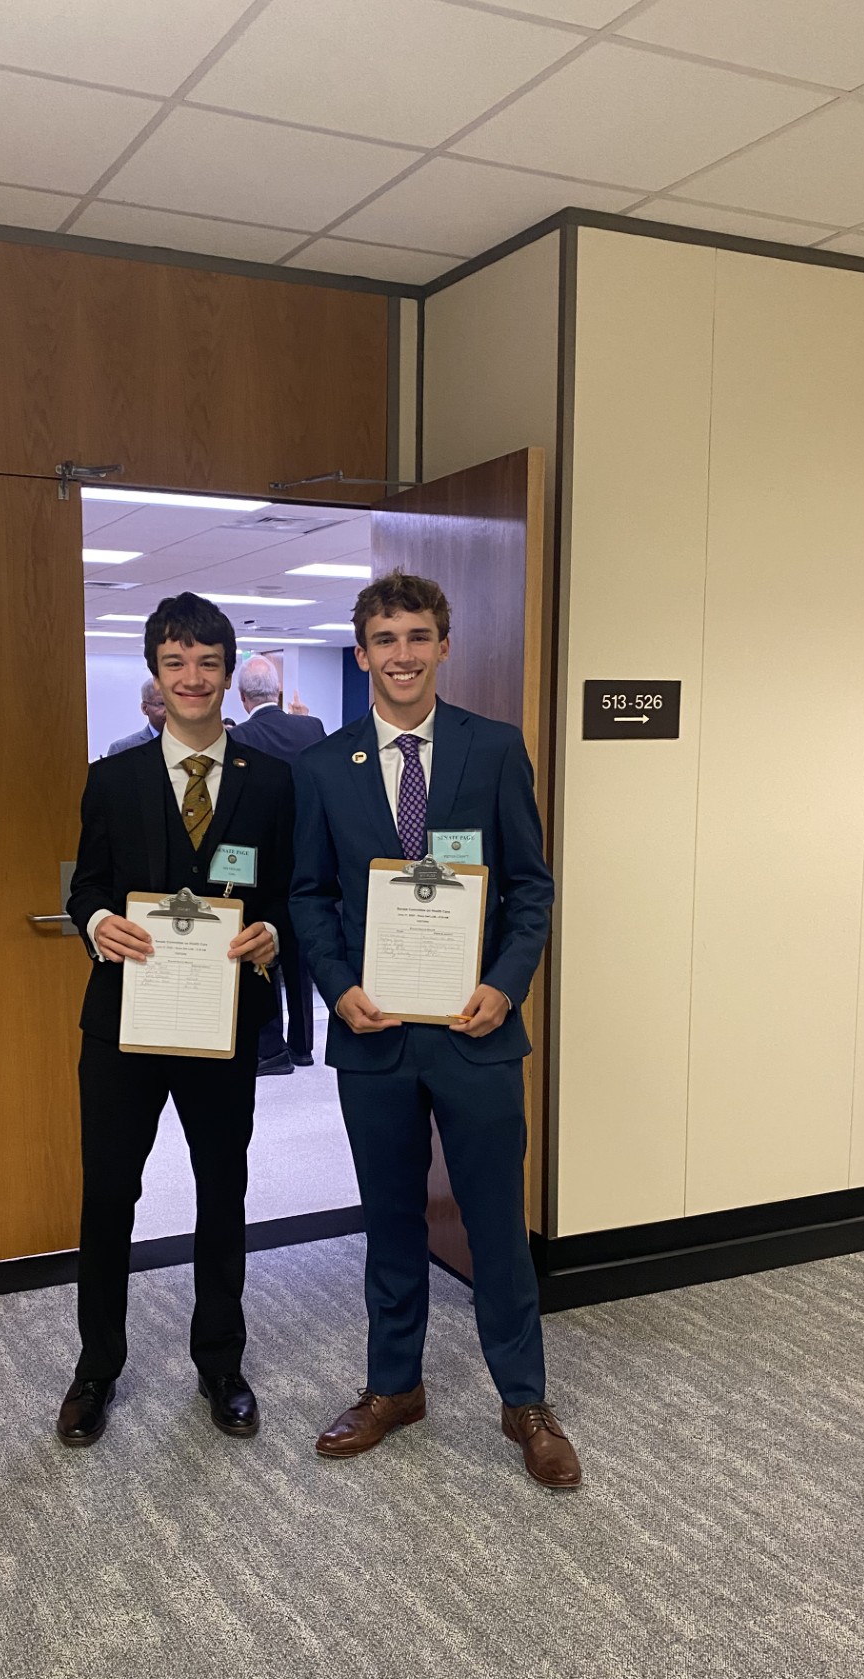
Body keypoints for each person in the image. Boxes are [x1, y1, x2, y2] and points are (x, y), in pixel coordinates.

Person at [290, 570, 579, 1489]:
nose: (403, 656)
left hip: (474, 1029)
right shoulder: (327, 766)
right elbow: (309, 896)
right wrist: (336, 989)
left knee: (496, 1221)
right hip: (373, 1035)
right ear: (363, 651)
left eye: (418, 637)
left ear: (443, 646)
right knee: (390, 1220)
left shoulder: (492, 750)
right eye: (385, 640)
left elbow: (529, 886)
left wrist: (504, 985)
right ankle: (394, 1386)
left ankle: (524, 1400)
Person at [61, 593, 294, 1449]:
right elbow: (85, 887)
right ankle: (97, 1367)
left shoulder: (272, 781)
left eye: (207, 662)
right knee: (108, 1195)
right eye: (175, 661)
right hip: (123, 1023)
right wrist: (95, 923)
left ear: (229, 674)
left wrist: (276, 932)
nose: (192, 677)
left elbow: (290, 893)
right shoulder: (112, 776)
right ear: (156, 674)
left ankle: (221, 1363)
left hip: (221, 1022)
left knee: (222, 1191)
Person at [232, 655, 326, 1074]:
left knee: (263, 953)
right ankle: (304, 1045)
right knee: (301, 957)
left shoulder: (242, 737)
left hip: (263, 865)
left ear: (241, 697)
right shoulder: (312, 727)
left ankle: (272, 1051)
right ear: (280, 693)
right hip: (310, 858)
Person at [104, 677, 166, 757]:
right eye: (161, 704)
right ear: (144, 708)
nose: (172, 710)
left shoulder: (186, 744)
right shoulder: (122, 749)